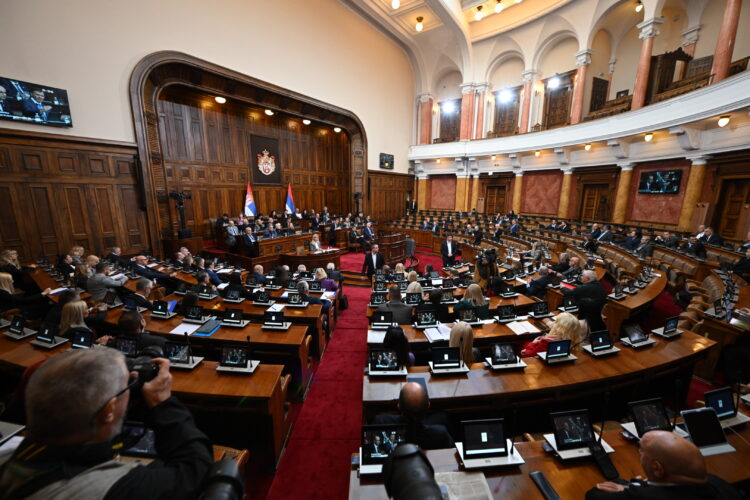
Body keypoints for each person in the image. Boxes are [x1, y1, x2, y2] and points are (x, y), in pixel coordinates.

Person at [0, 349, 213, 499]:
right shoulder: (117, 489)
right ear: (108, 410)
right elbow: (196, 469)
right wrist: (161, 401)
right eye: (125, 386)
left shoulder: (7, 457)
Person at [585, 431, 741, 500]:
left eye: (641, 451)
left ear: (657, 469)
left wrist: (629, 485)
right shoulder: (719, 484)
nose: (639, 453)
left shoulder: (644, 496)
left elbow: (594, 495)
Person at [372, 382, 453, 450]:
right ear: (428, 405)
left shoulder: (380, 421)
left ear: (399, 406)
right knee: (442, 416)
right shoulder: (441, 434)